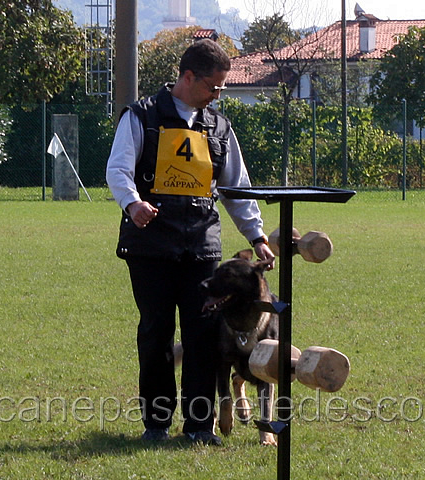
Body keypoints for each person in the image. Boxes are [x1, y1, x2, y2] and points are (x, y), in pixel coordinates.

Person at [106, 39, 274, 446]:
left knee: (201, 336)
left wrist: (257, 235)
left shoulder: (218, 127)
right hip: (151, 247)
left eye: (222, 89)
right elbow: (118, 169)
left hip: (201, 245)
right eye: (213, 87)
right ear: (187, 76)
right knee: (156, 332)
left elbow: (236, 187)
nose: (217, 95)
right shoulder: (142, 116)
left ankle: (200, 427)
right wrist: (133, 204)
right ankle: (156, 425)